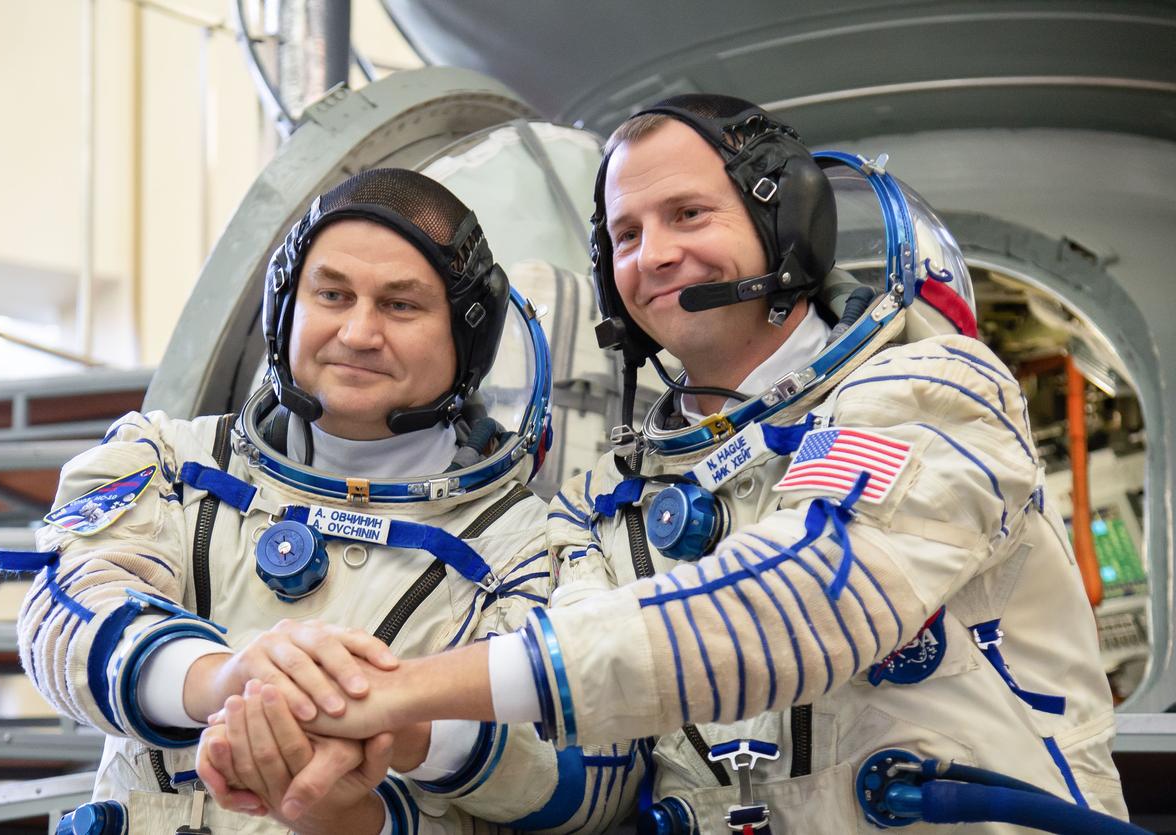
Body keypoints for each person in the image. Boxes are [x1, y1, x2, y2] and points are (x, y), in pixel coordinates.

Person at [211, 96, 1131, 834]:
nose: (653, 256)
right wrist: (409, 738)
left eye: (688, 214)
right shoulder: (601, 509)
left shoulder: (931, 389)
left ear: (788, 222)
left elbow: (808, 597)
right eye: (627, 234)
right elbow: (580, 764)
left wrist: (403, 688)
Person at [5, 169, 626, 834]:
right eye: (332, 293)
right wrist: (223, 678)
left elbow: (595, 778)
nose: (358, 333)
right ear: (285, 308)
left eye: (401, 305)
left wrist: (407, 730)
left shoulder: (535, 547)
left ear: (468, 336)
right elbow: (63, 611)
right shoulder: (167, 463)